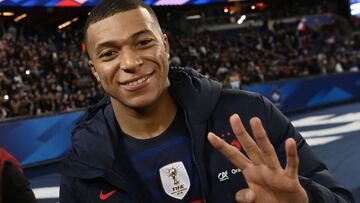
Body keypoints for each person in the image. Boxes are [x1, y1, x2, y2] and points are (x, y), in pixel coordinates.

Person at [59, 0, 355, 202]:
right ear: (94, 70)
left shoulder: (250, 116)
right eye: (109, 53)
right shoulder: (84, 166)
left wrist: (305, 199)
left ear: (165, 44)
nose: (131, 62)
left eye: (143, 42)